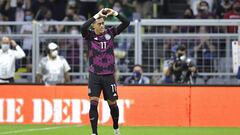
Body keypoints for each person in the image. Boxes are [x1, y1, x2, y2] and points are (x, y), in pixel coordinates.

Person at [81, 8, 130, 135]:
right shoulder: (90, 35)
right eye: (99, 23)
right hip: (94, 75)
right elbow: (83, 27)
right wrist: (96, 15)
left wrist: (115, 13)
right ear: (94, 25)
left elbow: (126, 23)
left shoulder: (110, 33)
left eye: (103, 23)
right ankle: (94, 133)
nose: (102, 26)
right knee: (93, 103)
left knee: (112, 104)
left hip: (109, 75)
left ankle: (115, 128)